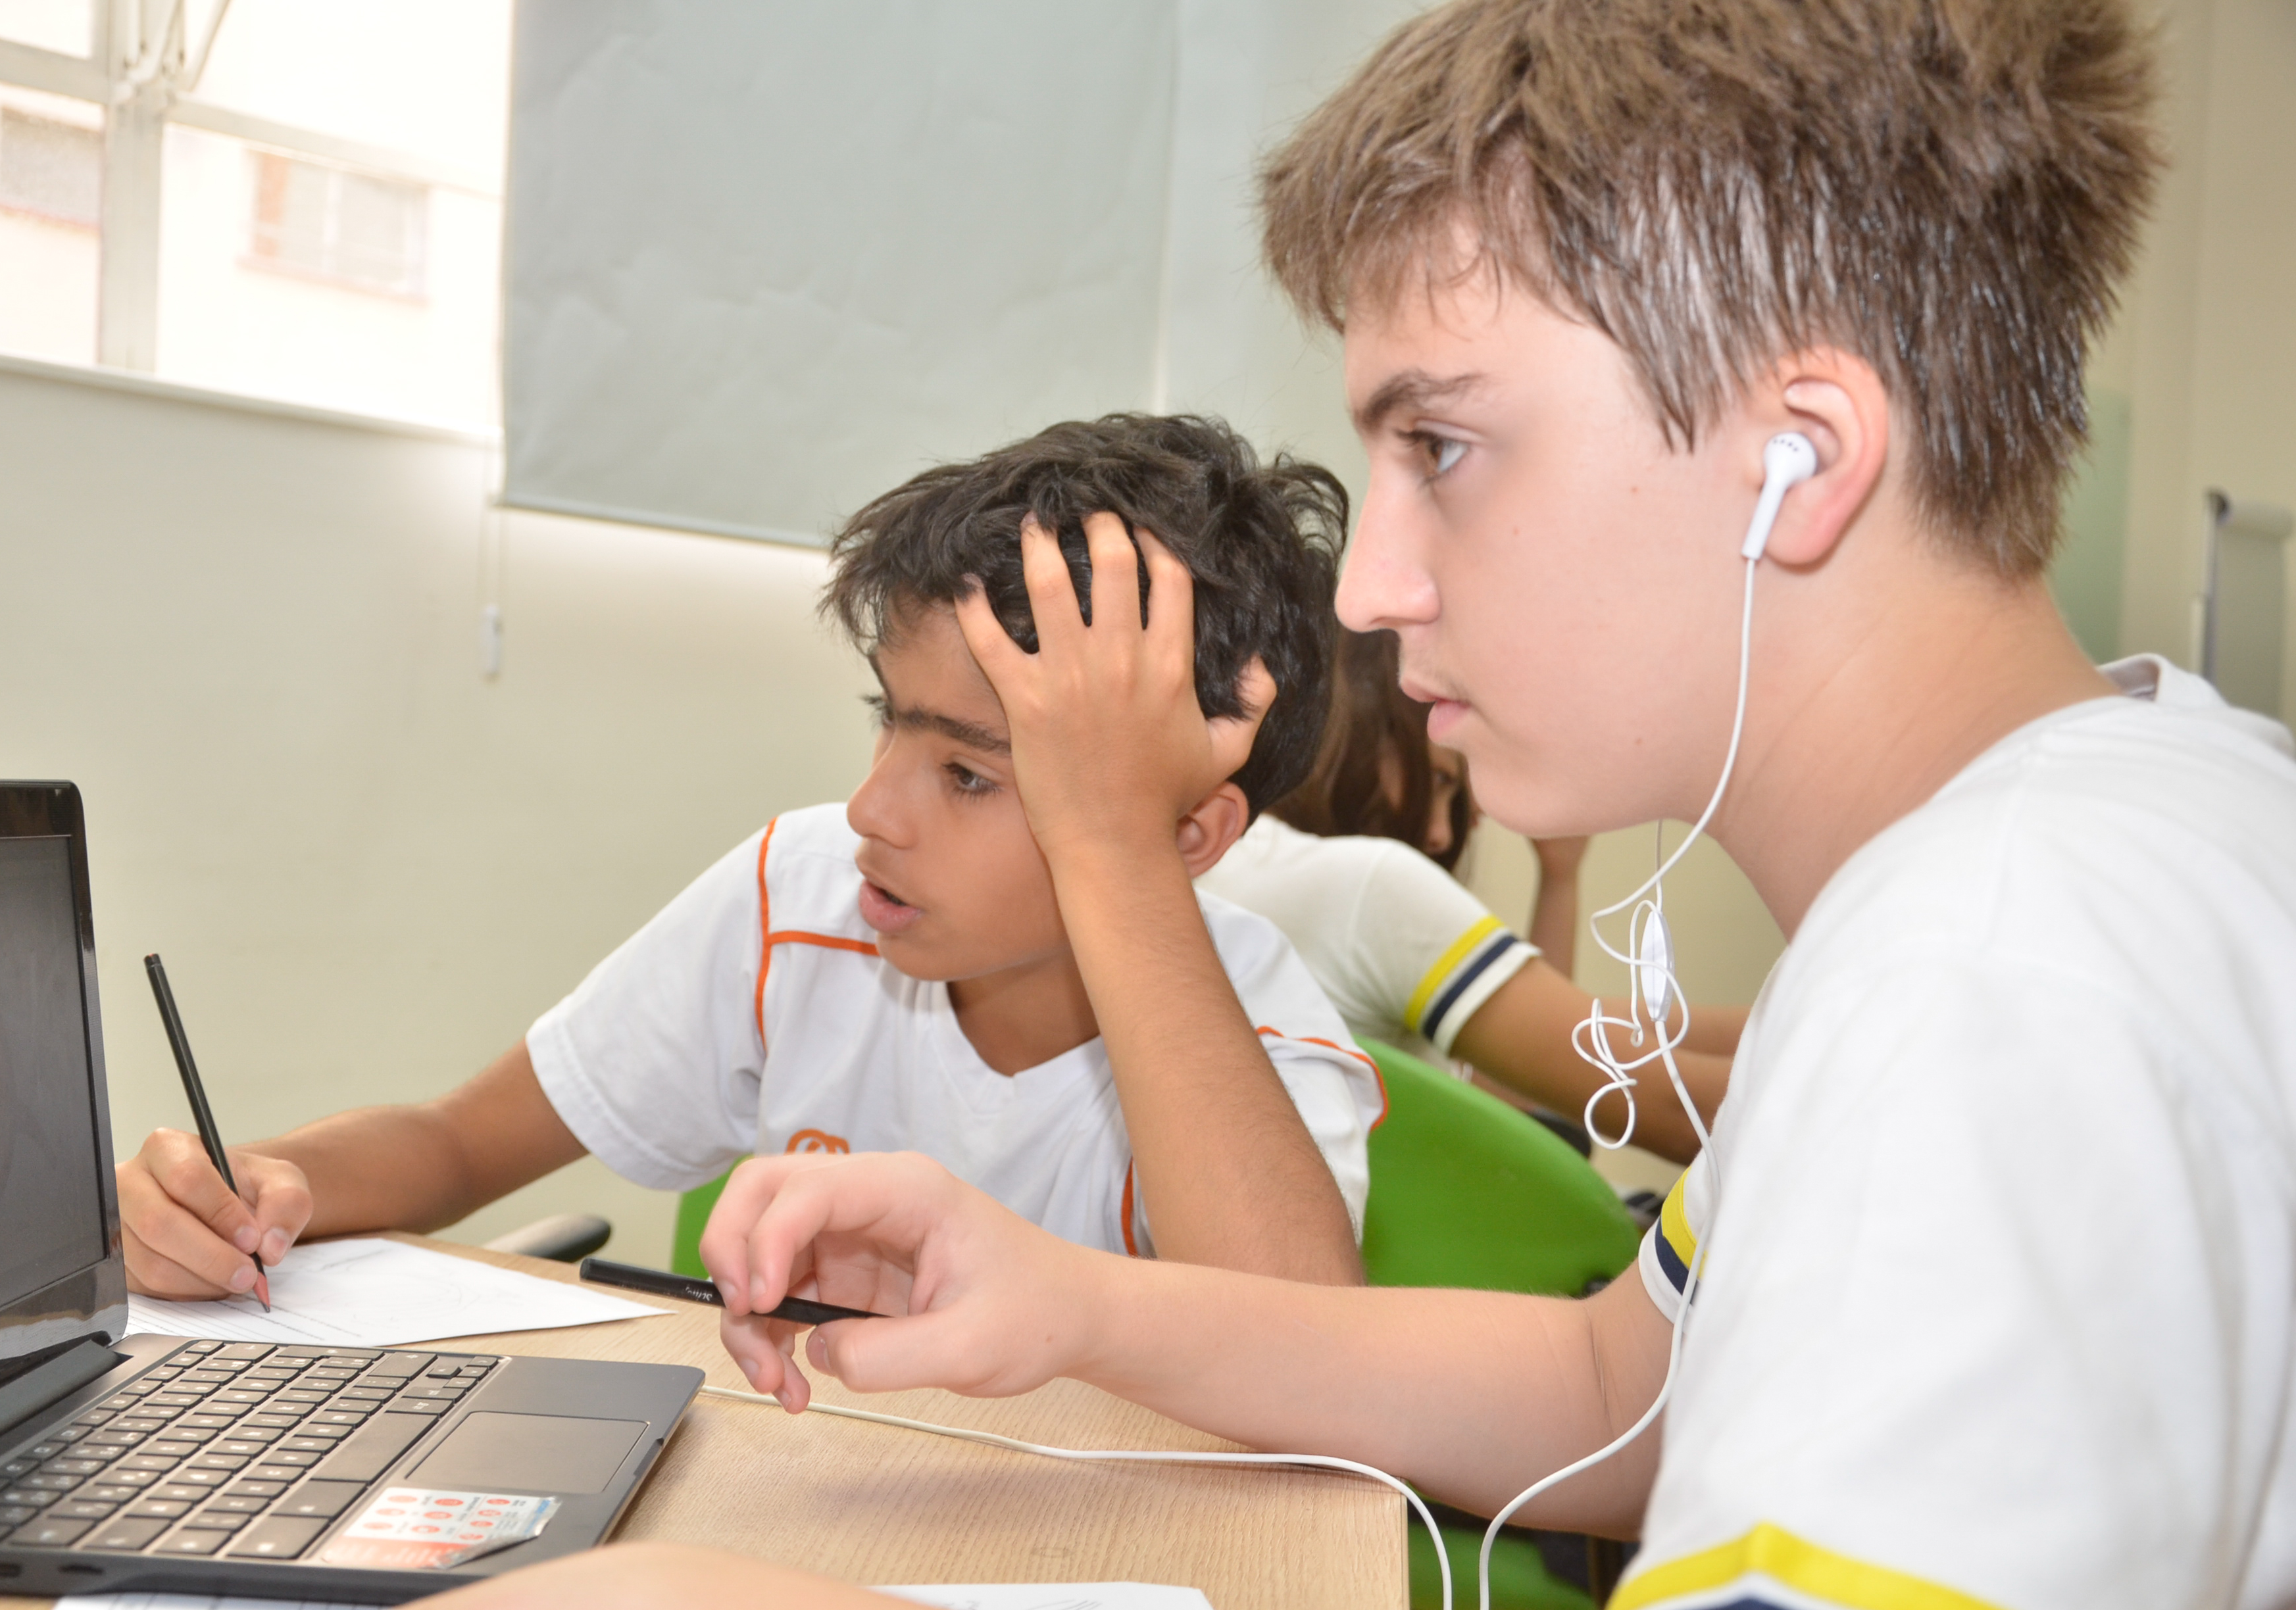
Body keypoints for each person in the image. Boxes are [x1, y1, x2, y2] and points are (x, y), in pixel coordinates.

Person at [427, 0, 2296, 1605]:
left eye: (1443, 445)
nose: (1374, 588)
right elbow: (1610, 1399)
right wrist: (1073, 1301)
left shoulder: (1996, 985)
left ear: (1796, 462)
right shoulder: (2072, 854)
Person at [114, 413, 1383, 1295]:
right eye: (889, 718)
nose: (873, 808)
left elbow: (1298, 1349)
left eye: (969, 773)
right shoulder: (807, 893)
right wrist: (258, 1185)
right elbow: (456, 1144)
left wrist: (1119, 858)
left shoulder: (1265, 1039)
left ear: (1188, 835)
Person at [1202, 624, 1740, 1161]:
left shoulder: (1241, 865)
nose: (1441, 833)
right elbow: (1673, 1108)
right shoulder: (1369, 885)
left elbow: (1555, 1046)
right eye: (1439, 781)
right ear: (1369, 732)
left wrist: (1560, 878)